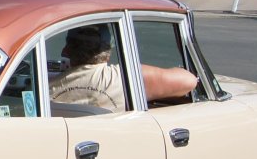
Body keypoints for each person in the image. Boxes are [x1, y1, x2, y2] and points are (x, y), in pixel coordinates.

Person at [50, 25, 199, 111]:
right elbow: (189, 81)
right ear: (108, 53)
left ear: (66, 51)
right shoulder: (123, 78)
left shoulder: (46, 87)